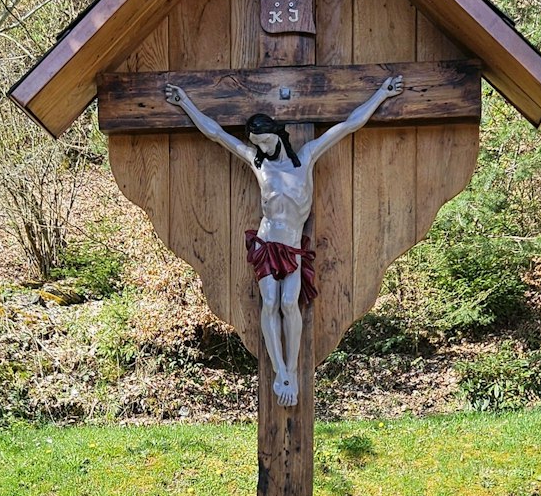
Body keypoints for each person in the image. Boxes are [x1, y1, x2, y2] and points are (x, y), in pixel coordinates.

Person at [163, 74, 405, 405]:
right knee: (270, 303)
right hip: (265, 243)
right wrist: (184, 102)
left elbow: (349, 125)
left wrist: (381, 94)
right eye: (256, 144)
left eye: (264, 141)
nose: (260, 148)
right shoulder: (258, 164)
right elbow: (215, 134)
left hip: (292, 246)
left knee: (290, 303)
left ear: (276, 134)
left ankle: (291, 369)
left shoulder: (305, 157)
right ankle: (281, 372)